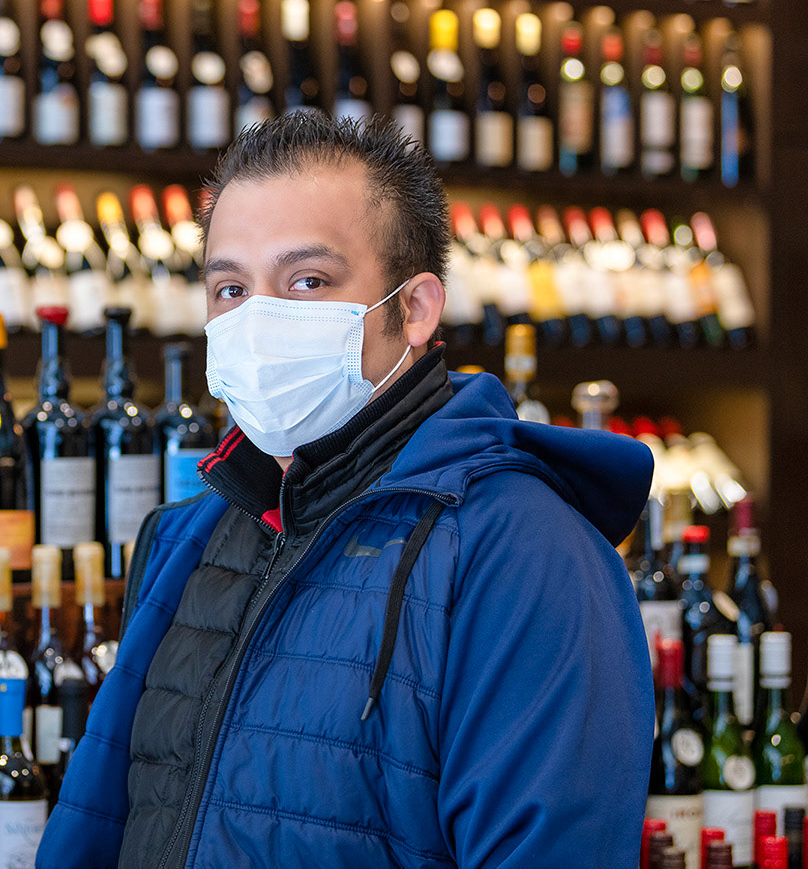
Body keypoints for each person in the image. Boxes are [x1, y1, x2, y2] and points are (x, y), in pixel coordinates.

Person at [38, 112, 655, 868]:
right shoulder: (185, 537)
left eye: (307, 281)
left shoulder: (523, 548)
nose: (257, 319)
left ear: (415, 308)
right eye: (230, 288)